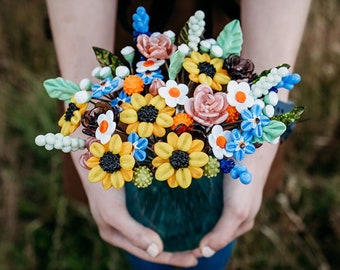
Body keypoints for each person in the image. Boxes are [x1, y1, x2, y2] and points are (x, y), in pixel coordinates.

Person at [45, 0, 311, 268]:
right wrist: (86, 116)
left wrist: (266, 118)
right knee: (136, 229)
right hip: (109, 53)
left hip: (238, 53)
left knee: (219, 218)